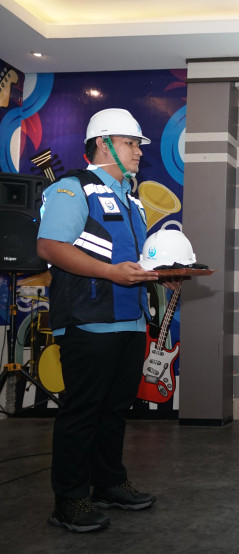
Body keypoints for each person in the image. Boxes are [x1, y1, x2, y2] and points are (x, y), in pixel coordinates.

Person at [38, 108, 173, 532]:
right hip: (88, 320)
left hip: (129, 322)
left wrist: (167, 274)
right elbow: (50, 247)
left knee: (115, 410)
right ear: (104, 144)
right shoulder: (71, 189)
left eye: (136, 145)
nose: (138, 152)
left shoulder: (131, 200)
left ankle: (108, 484)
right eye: (132, 143)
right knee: (83, 412)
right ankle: (70, 500)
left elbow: (131, 261)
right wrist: (112, 273)